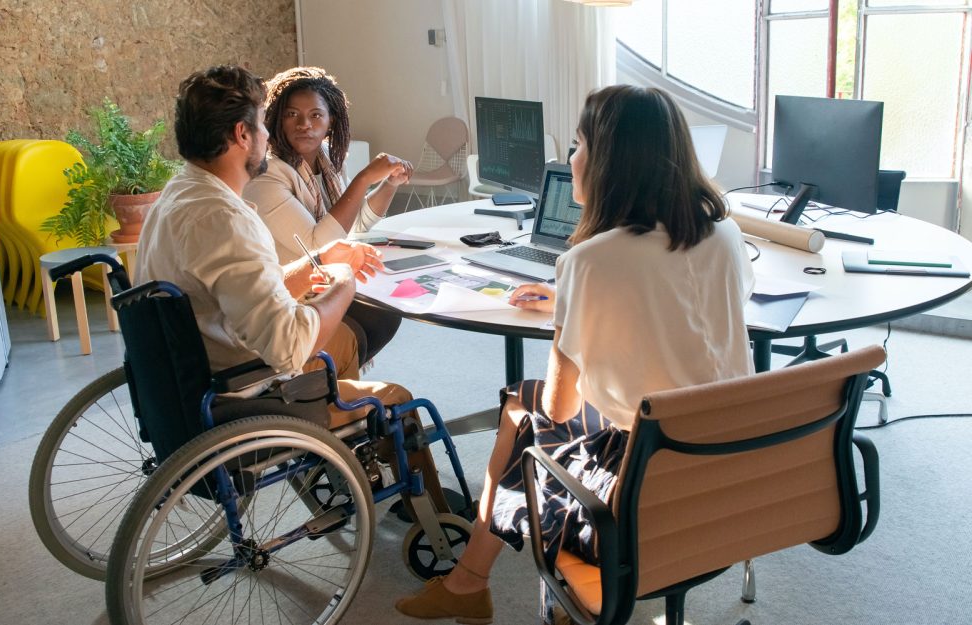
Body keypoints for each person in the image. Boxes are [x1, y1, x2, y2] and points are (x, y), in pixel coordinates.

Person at [394, 85, 755, 625]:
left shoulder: (590, 261)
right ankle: (470, 580)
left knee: (523, 414)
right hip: (728, 456)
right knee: (522, 407)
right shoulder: (723, 233)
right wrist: (581, 303)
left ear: (610, 160)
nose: (571, 159)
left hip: (645, 474)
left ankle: (474, 582)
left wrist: (577, 306)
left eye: (580, 144)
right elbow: (689, 311)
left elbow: (561, 408)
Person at [136, 64, 448, 512]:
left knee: (358, 326)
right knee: (396, 397)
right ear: (244, 134)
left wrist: (316, 263)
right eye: (266, 123)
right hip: (246, 392)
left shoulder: (179, 195)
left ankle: (352, 466)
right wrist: (340, 281)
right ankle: (436, 522)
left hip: (187, 376)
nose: (269, 135)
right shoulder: (228, 219)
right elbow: (288, 345)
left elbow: (232, 289)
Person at [243, 66, 410, 367]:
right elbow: (320, 243)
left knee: (387, 306)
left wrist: (388, 184)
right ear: (277, 118)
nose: (304, 124)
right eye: (292, 114)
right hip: (290, 298)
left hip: (322, 283)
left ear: (331, 121)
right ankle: (320, 378)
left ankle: (333, 378)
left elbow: (352, 225)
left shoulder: (327, 161)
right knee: (370, 315)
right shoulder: (267, 175)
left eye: (316, 115)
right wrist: (363, 179)